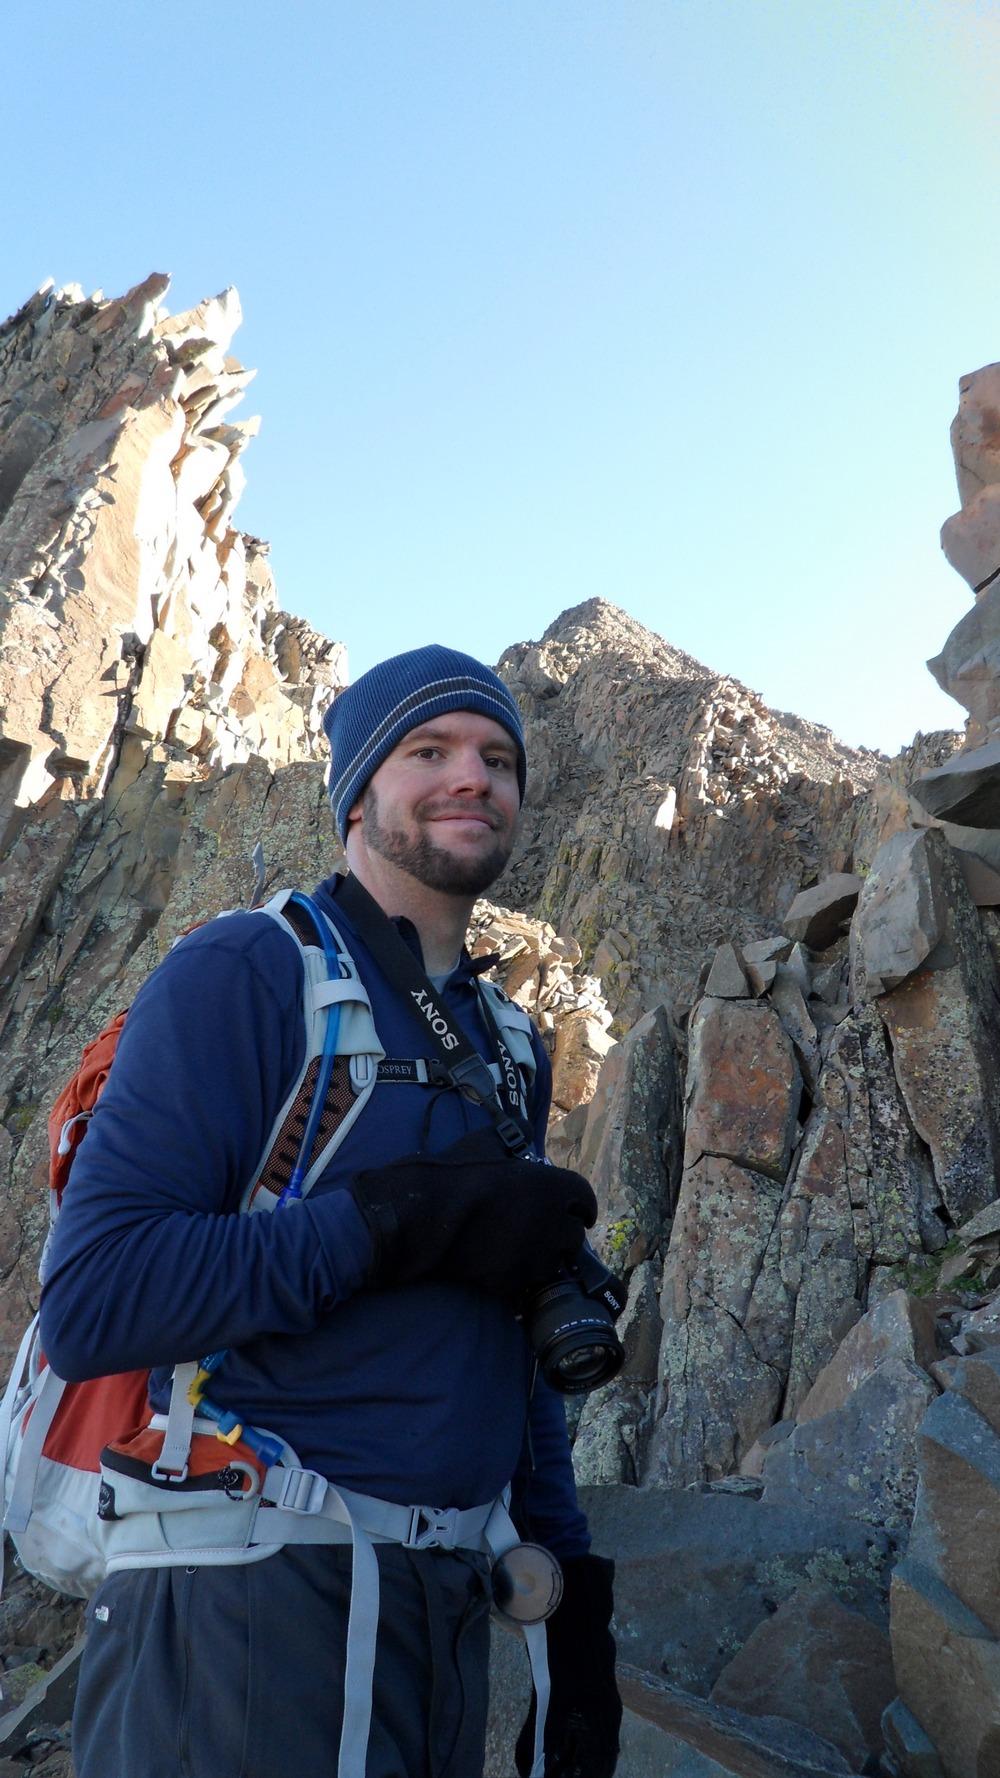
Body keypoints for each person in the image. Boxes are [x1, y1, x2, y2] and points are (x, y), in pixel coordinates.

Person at [39, 644, 622, 1778]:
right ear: (359, 791)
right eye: (430, 750)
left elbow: (510, 1333)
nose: (473, 777)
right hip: (248, 1598)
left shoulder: (506, 1044)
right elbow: (96, 1298)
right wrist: (385, 1223)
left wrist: (570, 1584)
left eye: (497, 757)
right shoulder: (248, 973)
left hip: (444, 1605)